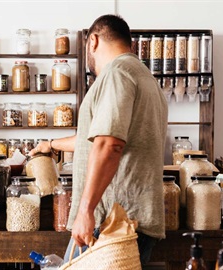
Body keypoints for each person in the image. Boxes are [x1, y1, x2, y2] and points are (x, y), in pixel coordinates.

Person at [29, 14, 168, 266]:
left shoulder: (116, 73)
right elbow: (95, 139)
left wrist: (86, 210)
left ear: (92, 41)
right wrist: (50, 145)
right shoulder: (145, 78)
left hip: (111, 219)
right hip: (132, 216)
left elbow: (109, 144)